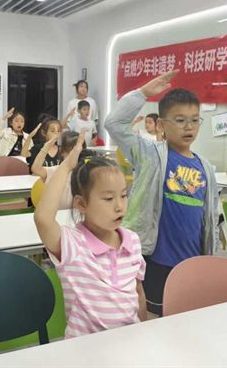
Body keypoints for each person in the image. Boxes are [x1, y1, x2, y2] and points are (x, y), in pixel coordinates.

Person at [105, 70, 219, 316]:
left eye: (194, 120)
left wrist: (210, 254)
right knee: (152, 316)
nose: (188, 127)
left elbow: (209, 217)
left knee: (185, 315)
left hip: (192, 260)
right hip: (154, 259)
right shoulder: (150, 155)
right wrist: (142, 93)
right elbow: (113, 124)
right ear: (161, 125)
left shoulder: (206, 168)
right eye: (179, 120)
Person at [34, 129, 147, 339]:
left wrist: (143, 335)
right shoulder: (73, 244)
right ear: (81, 204)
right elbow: (43, 219)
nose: (119, 206)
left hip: (128, 344)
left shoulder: (132, 241)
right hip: (85, 349)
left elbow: (138, 293)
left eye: (123, 195)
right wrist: (66, 167)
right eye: (108, 199)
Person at [32, 131, 89, 210]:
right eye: (71, 152)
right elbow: (36, 169)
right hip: (58, 214)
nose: (75, 156)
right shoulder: (56, 171)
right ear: (62, 152)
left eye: (79, 152)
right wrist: (47, 146)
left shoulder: (86, 172)